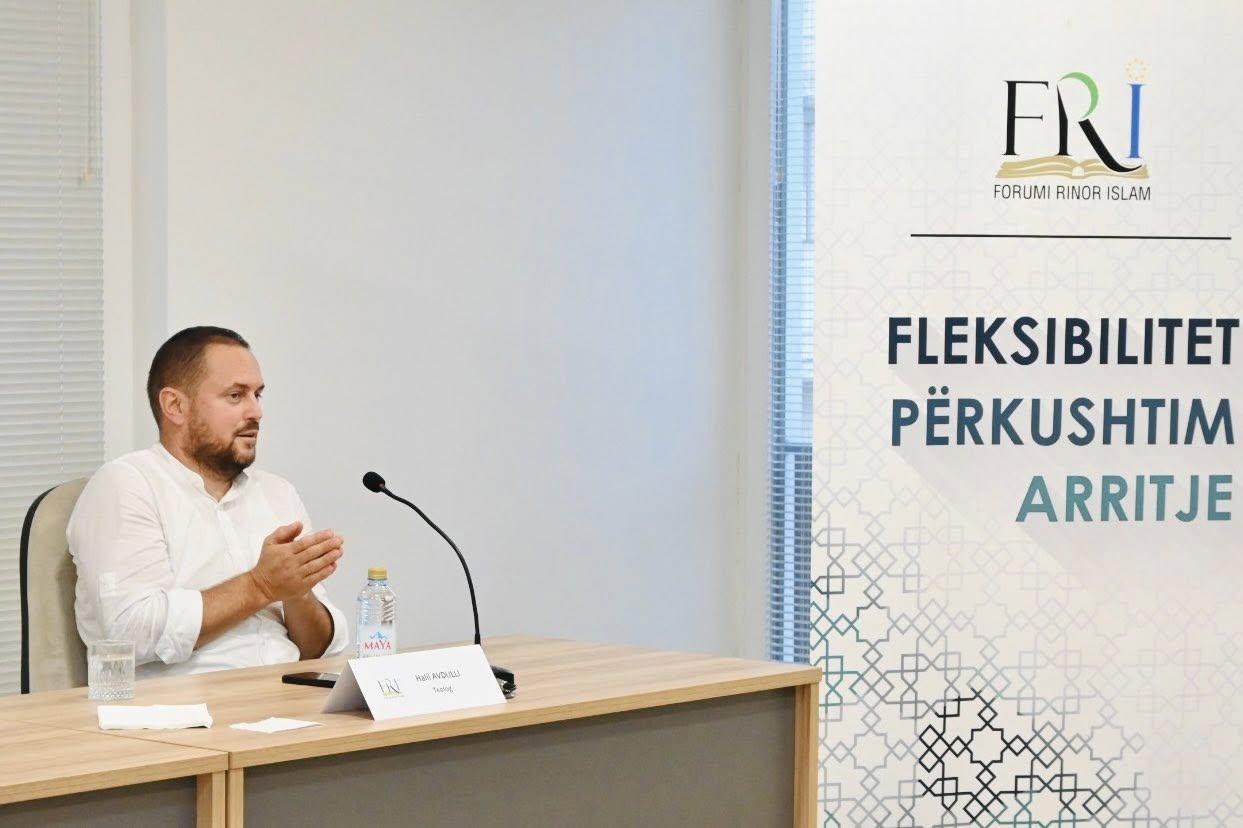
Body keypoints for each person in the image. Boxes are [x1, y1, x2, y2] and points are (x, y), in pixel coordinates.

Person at [68, 326, 348, 678]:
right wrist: (260, 585)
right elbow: (129, 632)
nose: (256, 411)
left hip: (290, 697)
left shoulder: (278, 493)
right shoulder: (127, 485)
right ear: (175, 406)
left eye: (258, 395)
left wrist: (296, 594)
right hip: (187, 706)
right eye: (235, 396)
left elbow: (315, 652)